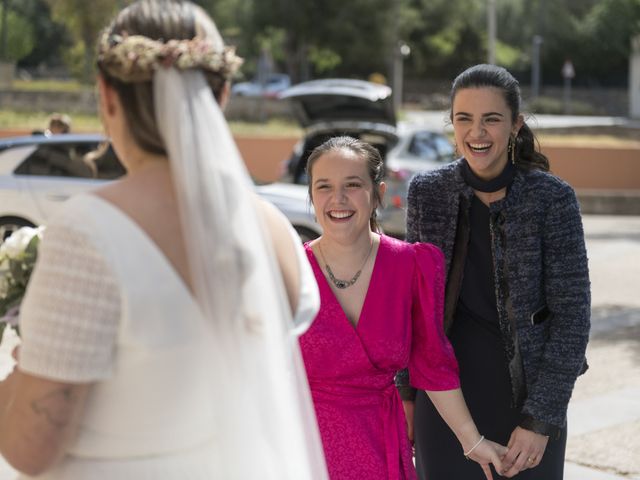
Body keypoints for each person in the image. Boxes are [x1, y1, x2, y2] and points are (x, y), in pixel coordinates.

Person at [0, 1, 328, 478]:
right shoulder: (273, 229)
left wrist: (23, 370)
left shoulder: (87, 231)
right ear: (221, 96)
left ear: (107, 96)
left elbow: (29, 449)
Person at [405, 64, 591, 479]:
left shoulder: (553, 198)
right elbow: (413, 307)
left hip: (527, 403)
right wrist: (406, 393)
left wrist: (540, 420)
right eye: (464, 119)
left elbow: (573, 319)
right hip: (444, 402)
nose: (478, 132)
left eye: (491, 119)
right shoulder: (426, 192)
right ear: (451, 124)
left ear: (515, 124)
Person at [299, 135, 507, 480]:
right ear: (311, 194)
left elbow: (433, 364)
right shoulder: (288, 269)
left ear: (378, 192)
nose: (338, 199)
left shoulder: (411, 266)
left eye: (353, 185)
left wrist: (472, 441)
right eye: (324, 187)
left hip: (379, 449)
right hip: (304, 450)